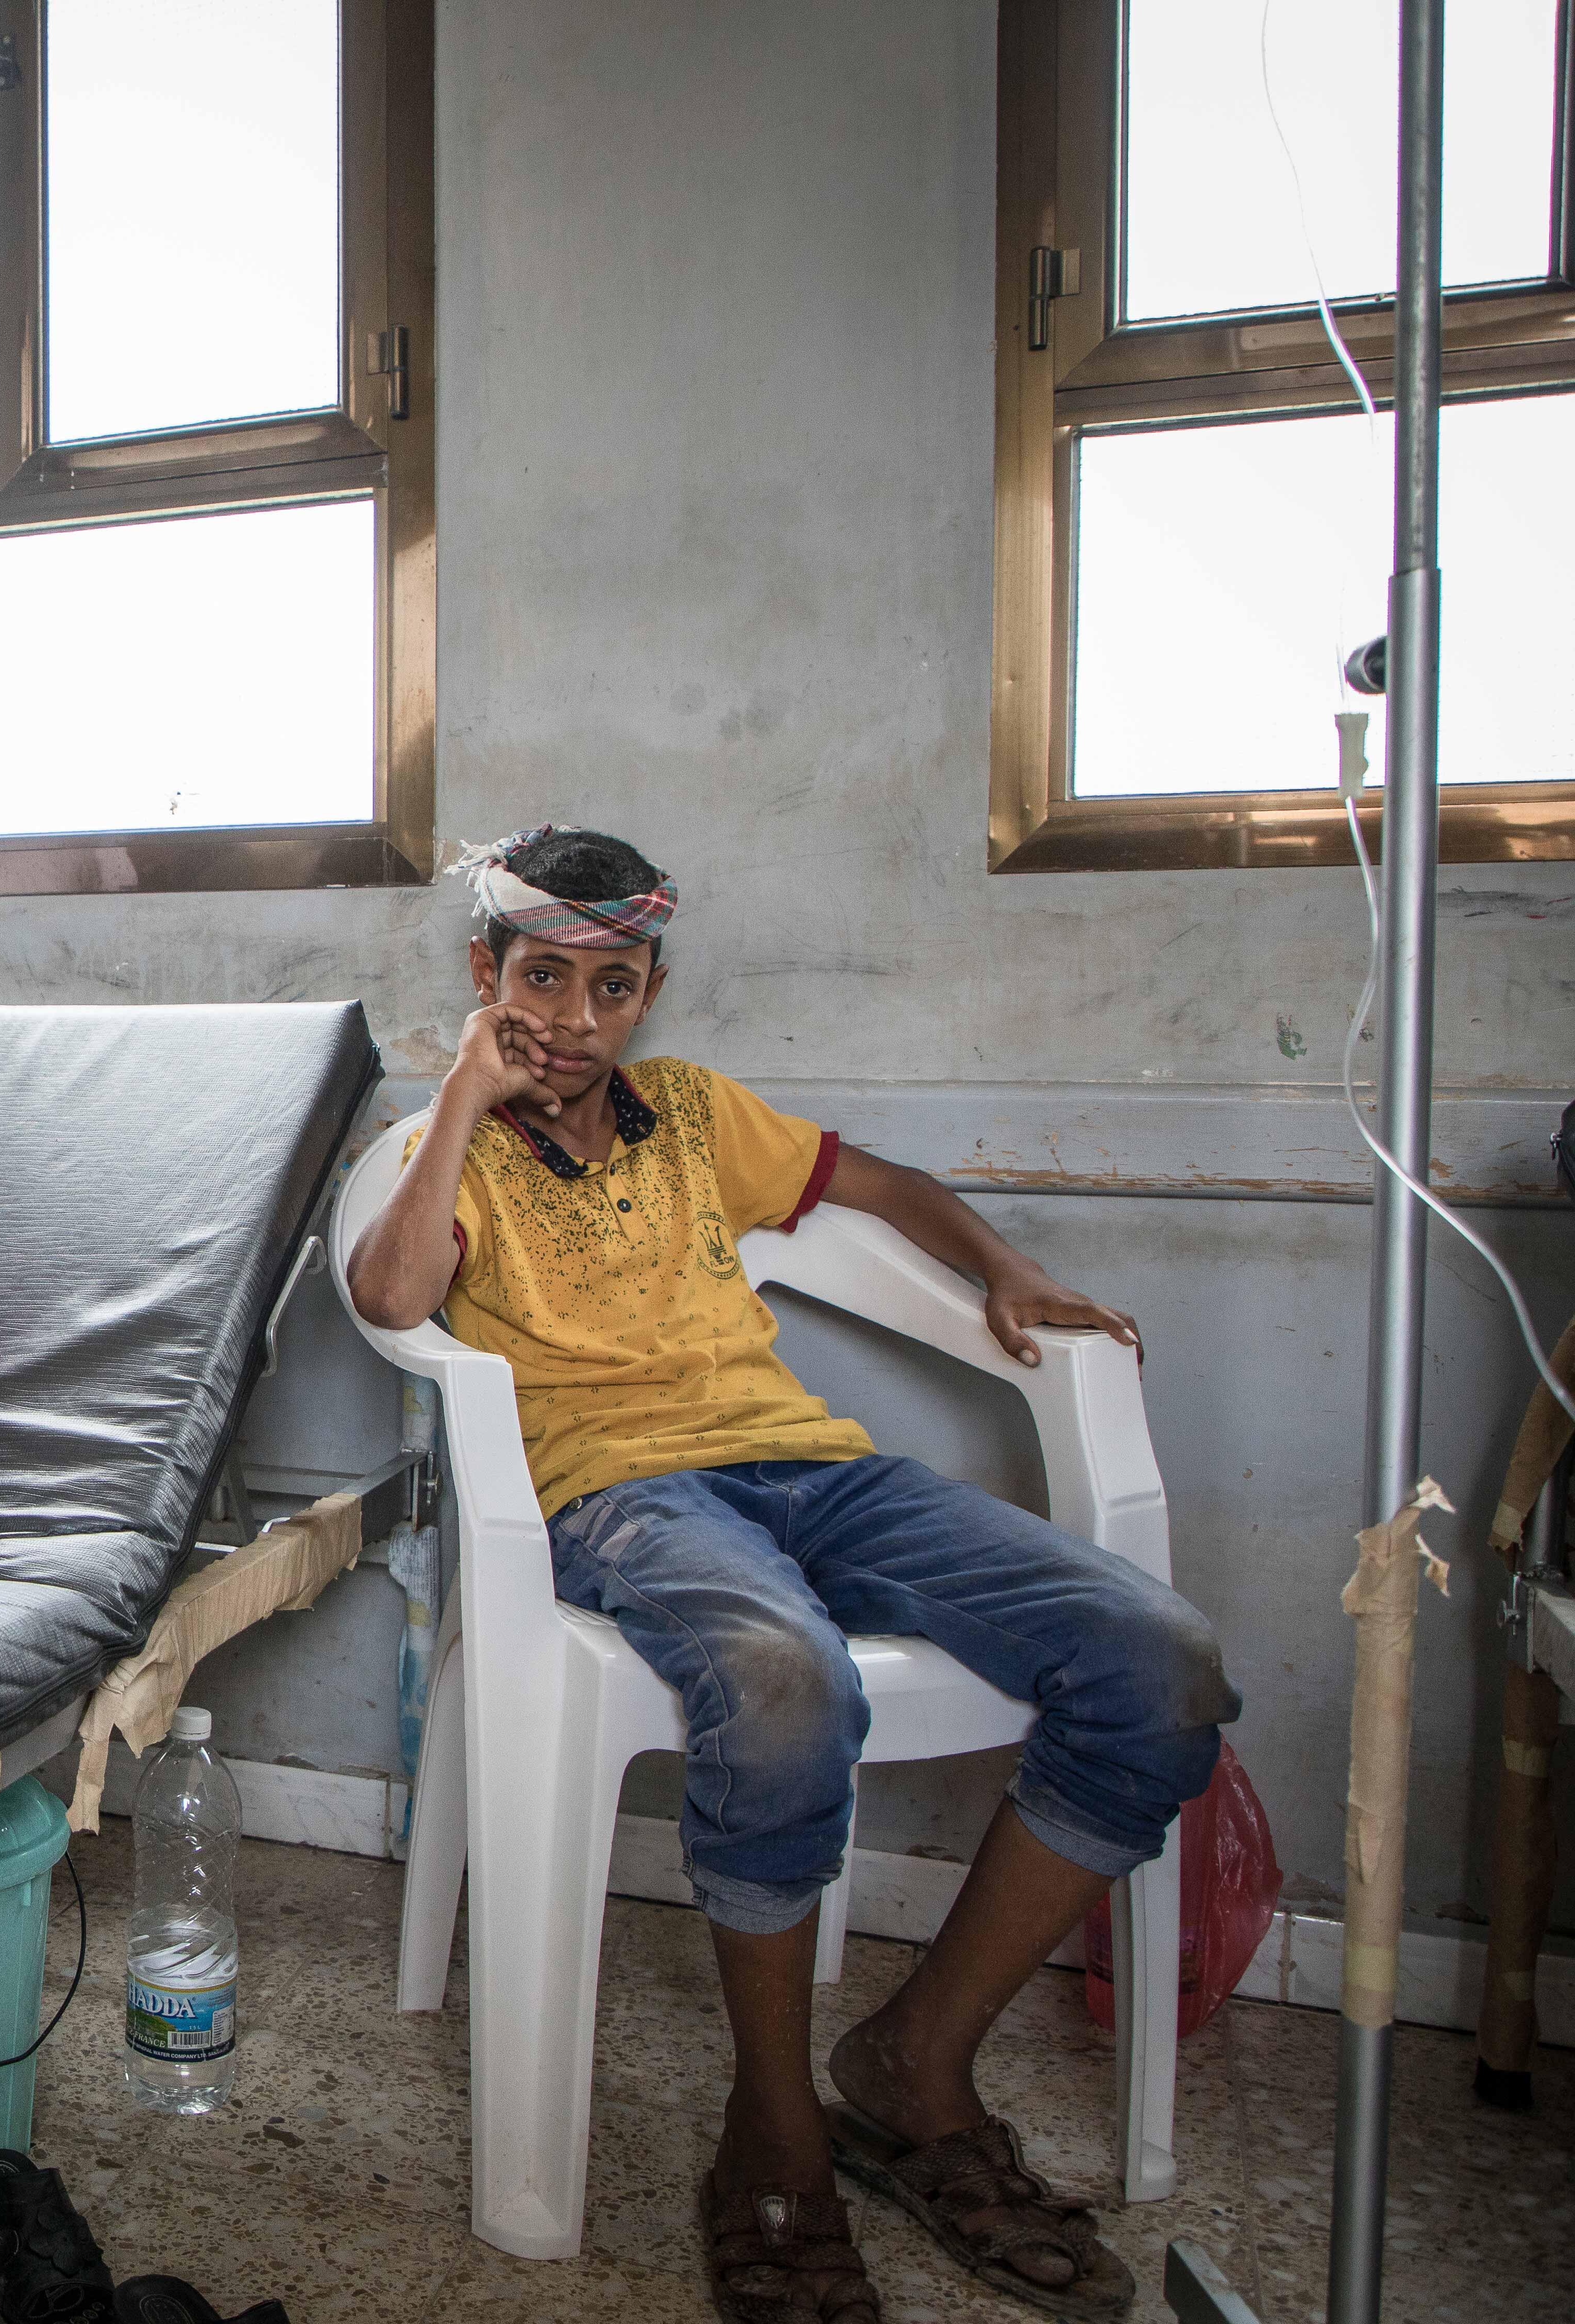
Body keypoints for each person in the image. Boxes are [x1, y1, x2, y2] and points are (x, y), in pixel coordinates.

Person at [345, 827, 1232, 2324]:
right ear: (487, 975)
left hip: (811, 1468)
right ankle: (775, 2124)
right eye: (540, 978)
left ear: (649, 994)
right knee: (781, 1682)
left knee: (1158, 1658)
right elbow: (391, 1295)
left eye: (608, 985)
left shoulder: (691, 1115)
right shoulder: (458, 1145)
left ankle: (915, 2063)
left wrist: (1002, 1266)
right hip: (617, 1496)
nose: (570, 1016)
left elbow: (880, 1184)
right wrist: (456, 1103)